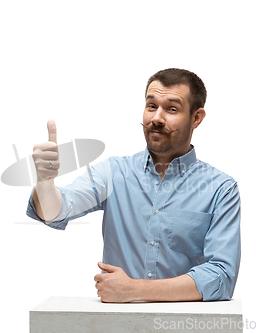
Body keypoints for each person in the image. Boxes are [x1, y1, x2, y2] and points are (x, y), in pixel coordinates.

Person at [27, 68, 241, 302]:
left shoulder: (221, 189)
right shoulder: (112, 173)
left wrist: (134, 289)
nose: (157, 118)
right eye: (151, 106)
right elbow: (53, 212)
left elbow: (221, 278)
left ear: (196, 118)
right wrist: (45, 182)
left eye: (172, 109)